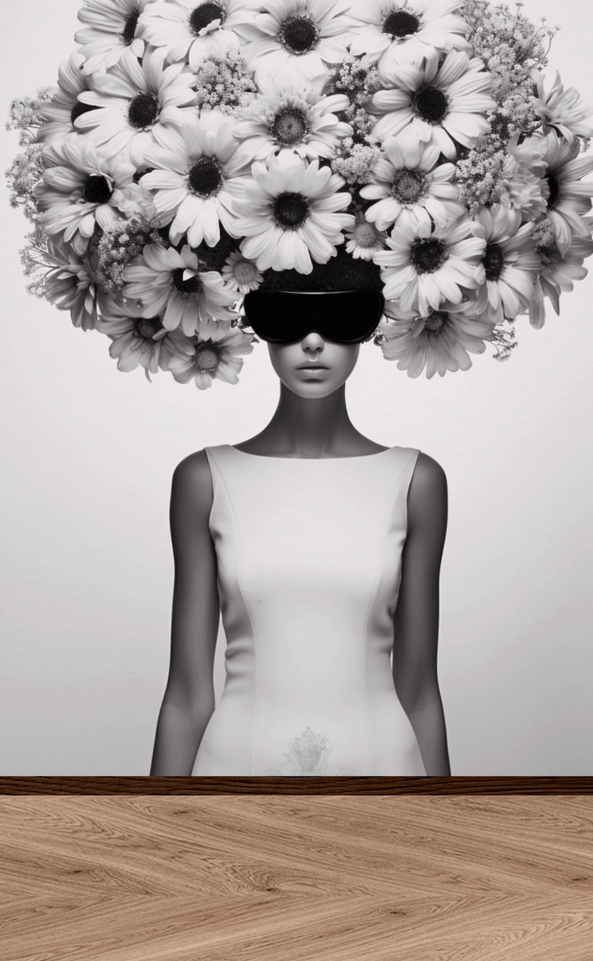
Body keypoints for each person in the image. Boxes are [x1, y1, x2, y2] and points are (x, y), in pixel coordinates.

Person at [149, 277, 452, 777]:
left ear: (371, 327)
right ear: (255, 324)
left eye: (342, 320)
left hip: (385, 775)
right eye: (285, 320)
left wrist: (447, 819)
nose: (313, 342)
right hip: (233, 777)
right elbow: (186, 694)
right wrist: (155, 820)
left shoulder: (417, 480)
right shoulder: (203, 479)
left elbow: (420, 691)